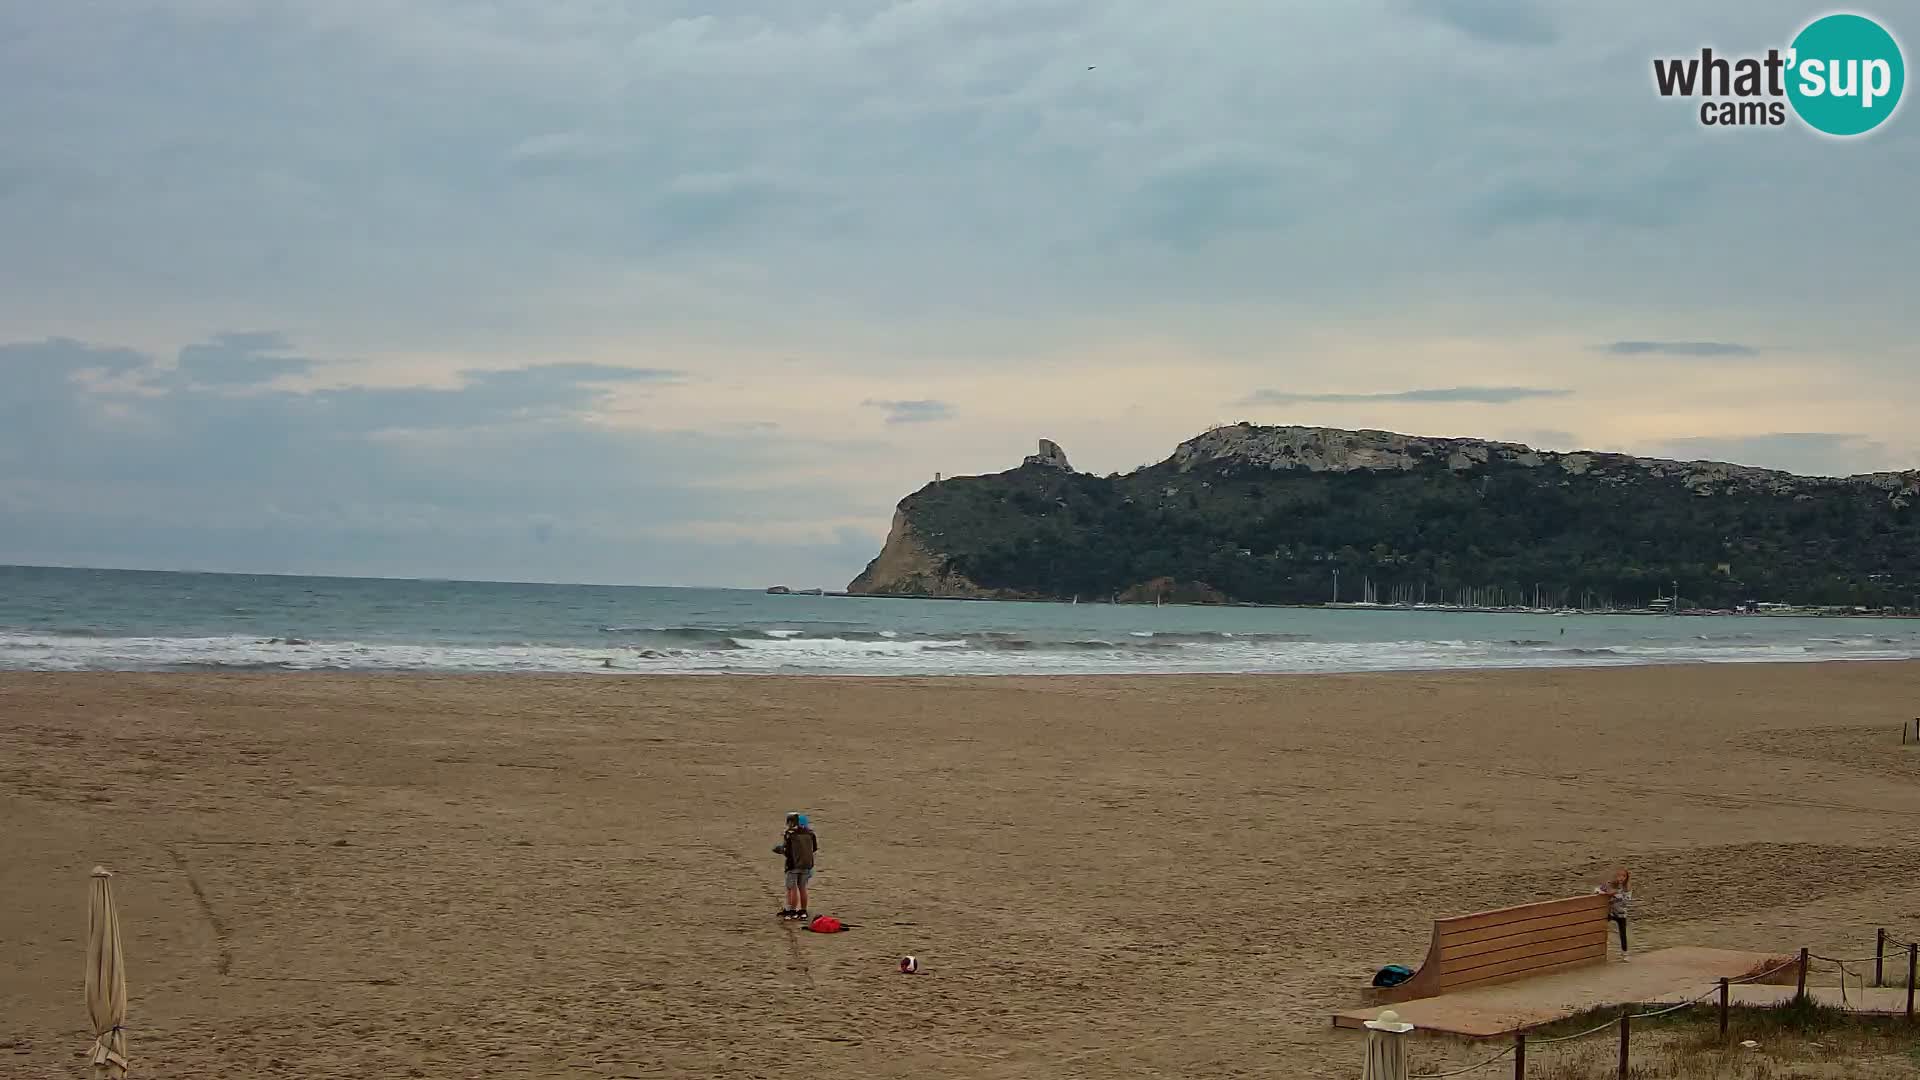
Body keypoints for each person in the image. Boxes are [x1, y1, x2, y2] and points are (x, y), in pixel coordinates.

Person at [773, 812, 819, 921]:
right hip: (807, 865)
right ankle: (803, 911)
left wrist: (779, 850)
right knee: (802, 888)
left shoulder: (790, 834)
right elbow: (814, 849)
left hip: (793, 865)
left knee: (792, 888)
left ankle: (792, 911)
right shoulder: (810, 834)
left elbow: (787, 851)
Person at [1596, 868, 1632, 958]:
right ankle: (1599, 948)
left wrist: (1614, 894)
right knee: (1601, 927)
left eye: (1624, 876)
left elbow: (1626, 899)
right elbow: (1597, 890)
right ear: (1615, 876)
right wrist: (1604, 893)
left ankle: (1624, 953)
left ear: (1627, 877)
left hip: (1621, 913)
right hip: (1611, 912)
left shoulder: (1627, 887)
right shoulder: (1610, 884)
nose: (1621, 878)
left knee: (1622, 933)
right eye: (1619, 875)